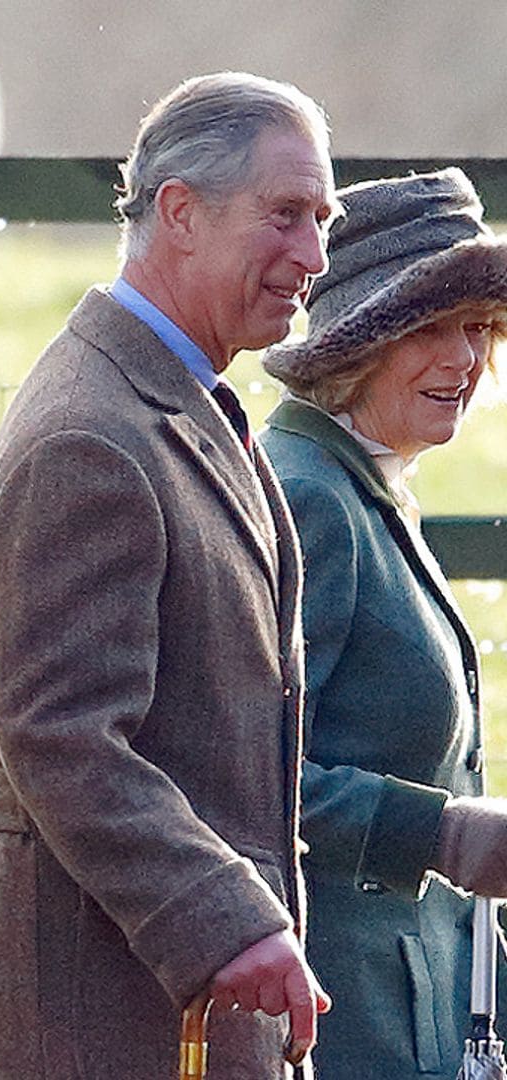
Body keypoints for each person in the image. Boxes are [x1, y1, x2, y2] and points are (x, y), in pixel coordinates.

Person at [0, 71, 337, 1079]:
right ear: (180, 213)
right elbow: (61, 736)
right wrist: (224, 923)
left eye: (322, 220)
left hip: (154, 1007)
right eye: (285, 215)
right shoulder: (92, 435)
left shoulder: (166, 397)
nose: (314, 255)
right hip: (93, 1014)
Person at [260, 168, 507, 1079]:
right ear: (356, 344)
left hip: (417, 1006)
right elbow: (251, 777)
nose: (464, 361)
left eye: (478, 328)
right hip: (342, 1013)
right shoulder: (308, 497)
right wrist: (445, 833)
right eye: (430, 328)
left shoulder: (370, 483)